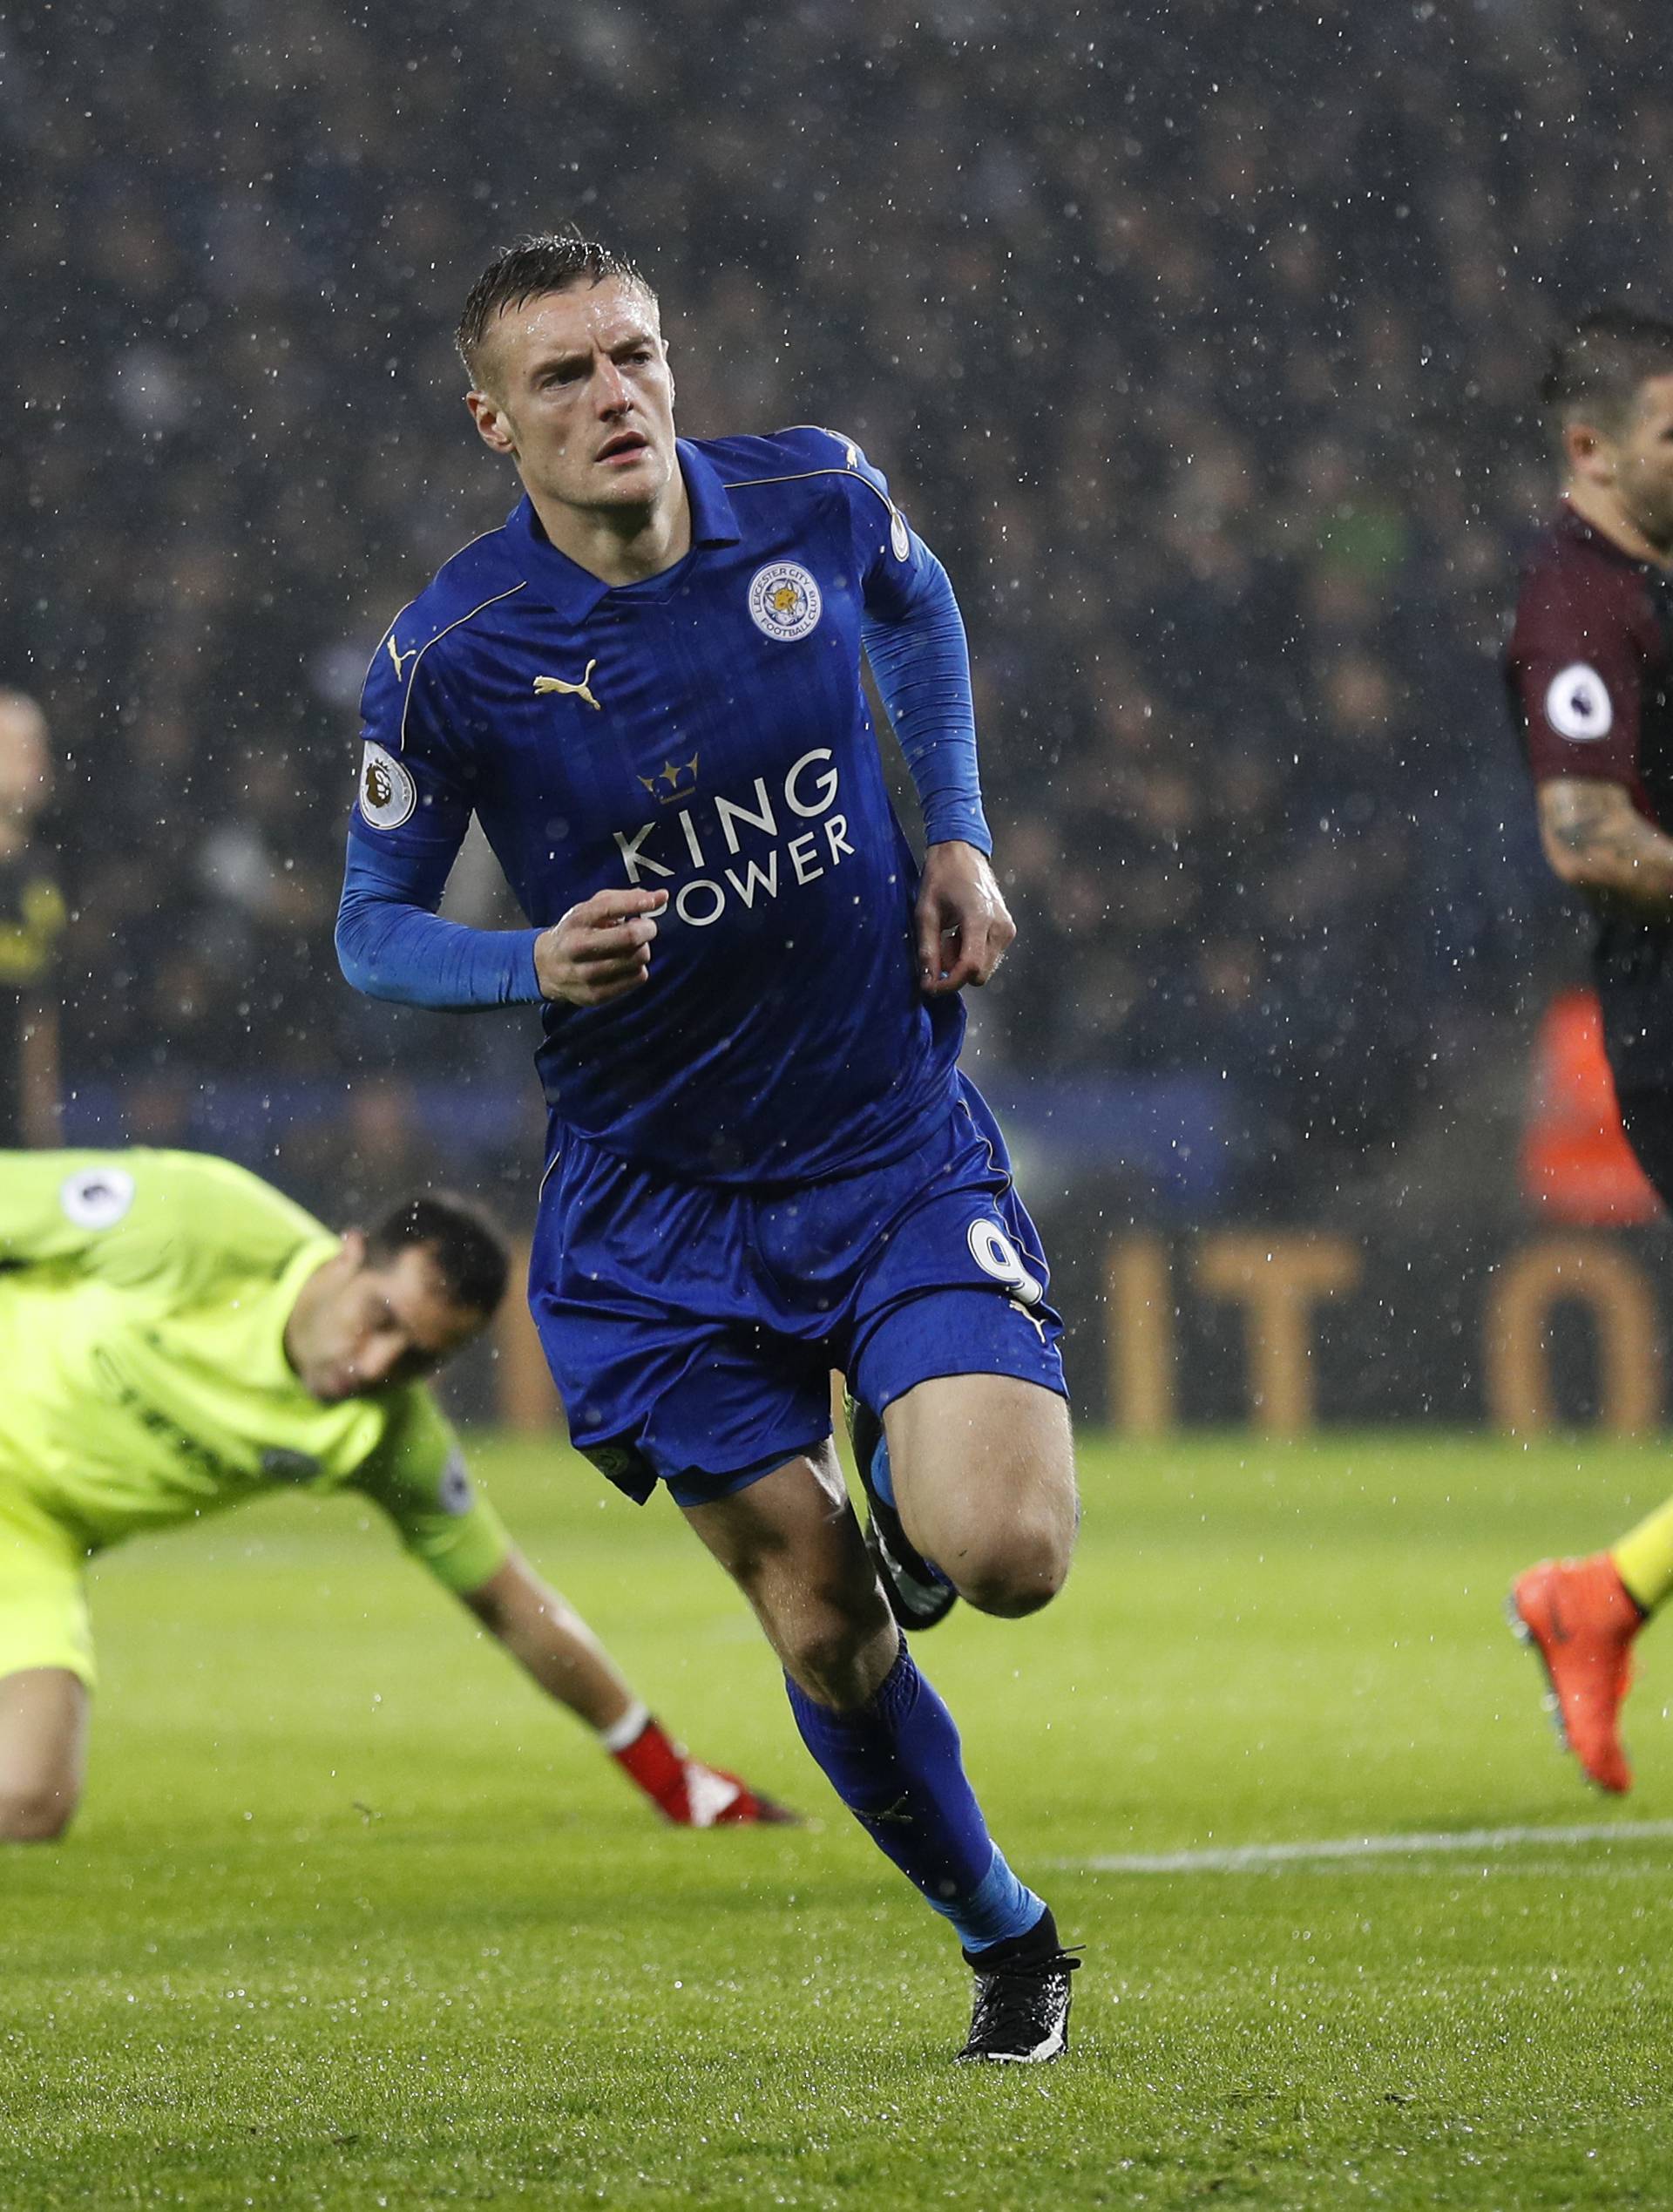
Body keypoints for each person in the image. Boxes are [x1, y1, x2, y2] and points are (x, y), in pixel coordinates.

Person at [335, 234, 1080, 2063]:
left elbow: (919, 608)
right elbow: (369, 928)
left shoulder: (813, 499)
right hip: (655, 1210)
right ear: (491, 417)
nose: (618, 399)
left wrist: (959, 832)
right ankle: (1009, 1939)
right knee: (823, 1633)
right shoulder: (451, 660)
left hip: (883, 1133)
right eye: (570, 377)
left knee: (1009, 1552)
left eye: (639, 359)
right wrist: (528, 959)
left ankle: (910, 1493)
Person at [0, 1145, 793, 1841]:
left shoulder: (388, 1436)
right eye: (378, 1318)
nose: (377, 1366)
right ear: (348, 1255)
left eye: (415, 1357)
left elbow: (510, 1602)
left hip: (29, 1538)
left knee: (31, 1804)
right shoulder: (194, 1217)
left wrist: (669, 1777)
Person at [1503, 308, 1673, 1795]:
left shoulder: (1656, 584)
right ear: (1595, 448)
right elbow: (1587, 835)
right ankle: (1596, 1595)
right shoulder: (1576, 606)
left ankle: (1603, 1594)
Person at [0, 692, 65, 1147]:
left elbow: (38, 1009)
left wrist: (42, 1127)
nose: (40, 762)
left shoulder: (40, 871)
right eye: (21, 749)